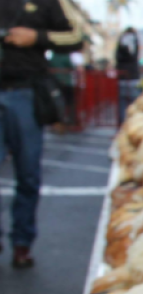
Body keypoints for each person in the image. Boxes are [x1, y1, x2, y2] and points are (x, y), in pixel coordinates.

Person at [1, 0, 83, 267]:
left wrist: (37, 37)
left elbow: (77, 36)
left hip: (24, 92)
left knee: (27, 174)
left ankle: (21, 243)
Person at [115, 27, 141, 123]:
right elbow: (133, 56)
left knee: (122, 102)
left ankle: (123, 123)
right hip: (132, 77)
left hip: (121, 77)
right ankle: (132, 122)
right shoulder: (133, 39)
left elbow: (118, 57)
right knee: (134, 102)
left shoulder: (121, 41)